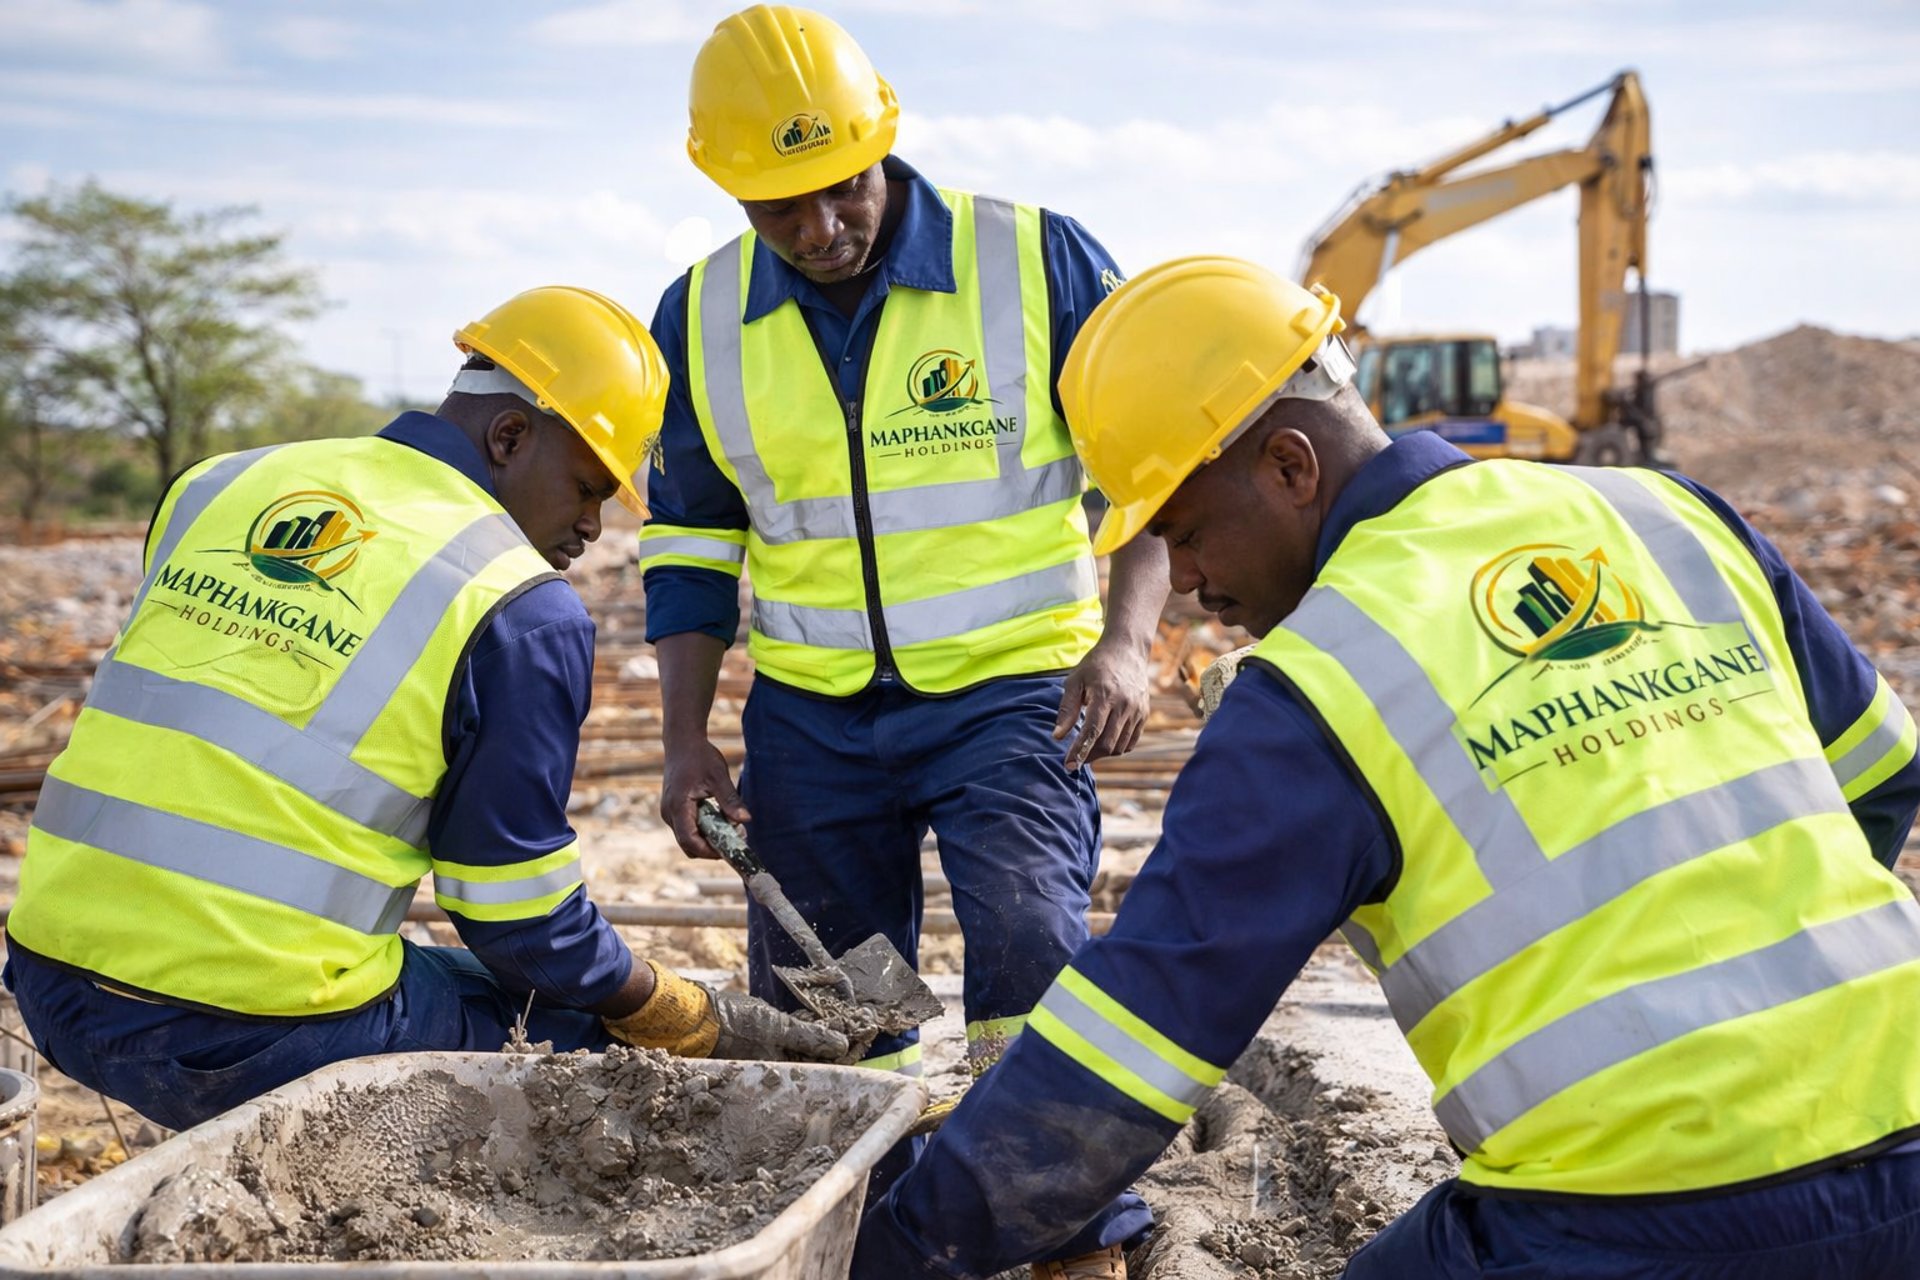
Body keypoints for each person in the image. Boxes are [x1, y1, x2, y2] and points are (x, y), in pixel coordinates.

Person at [851, 256, 1920, 1279]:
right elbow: (1882, 772)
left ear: (1288, 464)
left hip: (1631, 1215)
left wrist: (900, 1249)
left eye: (1183, 531)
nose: (1183, 582)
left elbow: (1136, 1038)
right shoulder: (1665, 514)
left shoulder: (1316, 689)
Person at [4, 285, 846, 1133]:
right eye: (589, 487)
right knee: (569, 1026)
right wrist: (681, 1009)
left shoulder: (220, 485)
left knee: (435, 972)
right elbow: (521, 924)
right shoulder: (519, 605)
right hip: (242, 1031)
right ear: (510, 435)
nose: (594, 525)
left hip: (50, 974)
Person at [639, 7, 1167, 1274]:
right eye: (783, 209)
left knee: (1030, 944)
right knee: (834, 992)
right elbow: (693, 546)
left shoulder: (1032, 260)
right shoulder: (702, 314)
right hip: (815, 716)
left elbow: (1158, 471)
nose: (821, 230)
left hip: (1012, 695)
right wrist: (684, 739)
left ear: (886, 142)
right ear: (731, 188)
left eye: (842, 190)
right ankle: (879, 1226)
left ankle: (1069, 1230)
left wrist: (1131, 643)